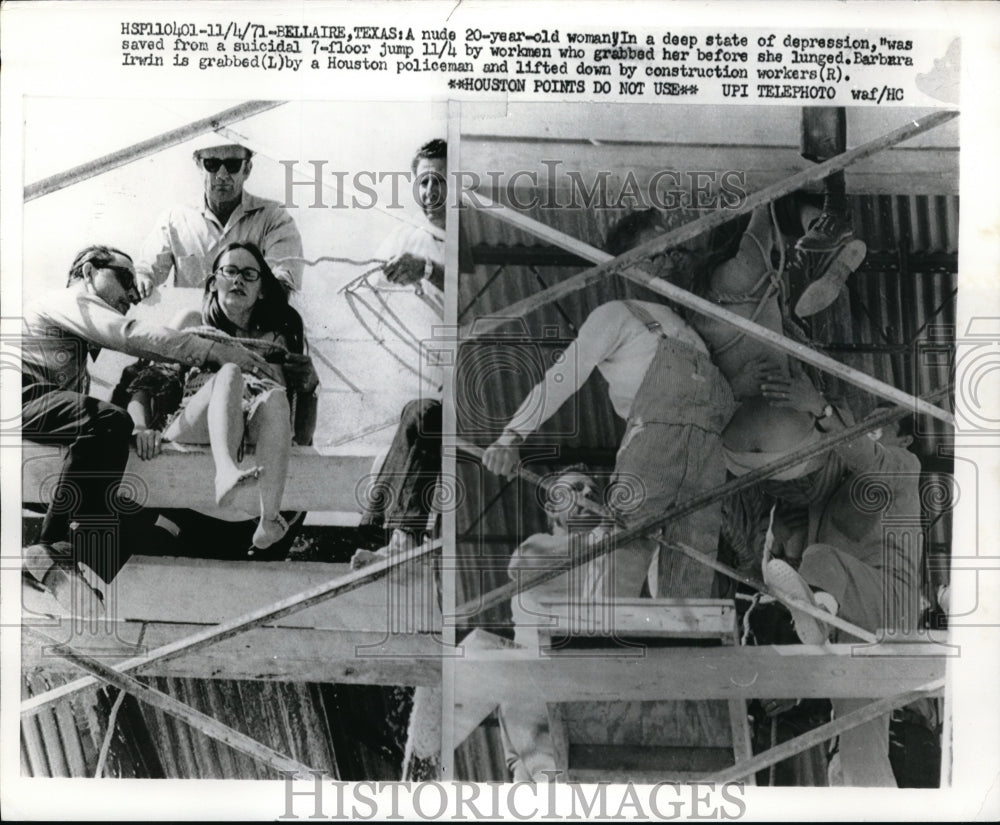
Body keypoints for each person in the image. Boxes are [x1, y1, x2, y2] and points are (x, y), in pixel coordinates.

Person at [21, 245, 269, 613]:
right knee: (111, 420)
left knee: (143, 514)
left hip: (34, 412)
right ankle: (51, 549)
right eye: (124, 277)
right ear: (89, 271)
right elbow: (129, 333)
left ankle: (76, 571)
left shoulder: (73, 364)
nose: (133, 294)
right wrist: (211, 352)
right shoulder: (68, 299)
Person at [722, 368, 923, 787]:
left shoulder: (904, 466)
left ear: (902, 439)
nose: (866, 431)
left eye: (878, 426)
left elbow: (869, 460)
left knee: (820, 558)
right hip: (852, 630)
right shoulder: (828, 496)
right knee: (860, 749)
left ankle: (813, 618)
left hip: (887, 607)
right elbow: (790, 543)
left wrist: (824, 410)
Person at [125, 242, 318, 550]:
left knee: (274, 399)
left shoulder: (278, 342)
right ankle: (226, 470)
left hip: (252, 437)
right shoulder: (192, 323)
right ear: (213, 282)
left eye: (249, 274)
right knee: (229, 374)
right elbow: (144, 385)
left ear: (262, 290)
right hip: (192, 423)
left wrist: (310, 389)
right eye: (229, 271)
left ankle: (269, 519)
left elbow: (302, 436)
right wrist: (138, 427)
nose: (238, 280)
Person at [134, 138, 304, 297]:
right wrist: (143, 279)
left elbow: (283, 279)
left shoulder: (274, 218)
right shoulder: (175, 219)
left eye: (232, 165)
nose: (222, 175)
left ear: (247, 169)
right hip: (193, 326)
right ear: (199, 166)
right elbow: (145, 270)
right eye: (212, 164)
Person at [374, 138, 447, 319]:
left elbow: (474, 287)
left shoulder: (477, 232)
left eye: (439, 181)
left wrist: (427, 269)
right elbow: (373, 288)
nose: (430, 192)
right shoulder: (403, 236)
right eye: (423, 182)